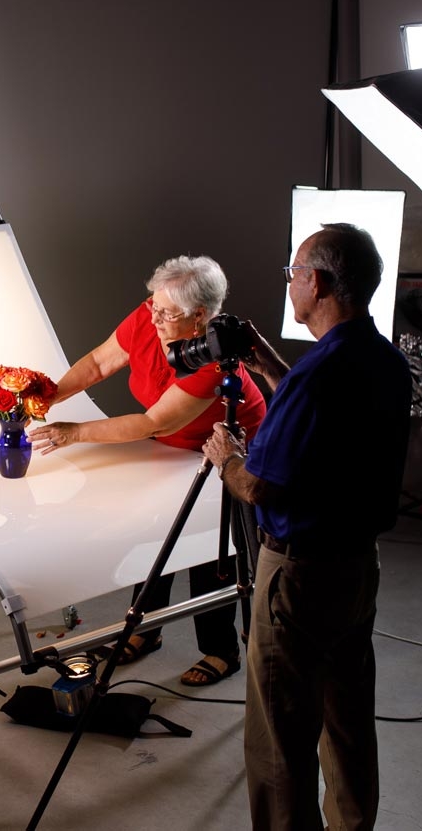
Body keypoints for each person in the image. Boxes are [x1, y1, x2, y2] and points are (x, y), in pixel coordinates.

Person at [202, 223, 411, 831]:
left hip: (297, 575)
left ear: (315, 282)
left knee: (279, 742)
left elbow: (261, 486)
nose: (290, 281)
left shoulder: (318, 378)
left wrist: (226, 461)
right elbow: (314, 406)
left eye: (293, 272)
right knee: (346, 721)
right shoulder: (382, 362)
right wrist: (264, 357)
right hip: (355, 569)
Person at [27, 255, 266, 685]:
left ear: (199, 317)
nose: (153, 316)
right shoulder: (151, 313)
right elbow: (99, 363)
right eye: (152, 305)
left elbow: (154, 421)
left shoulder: (212, 361)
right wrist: (45, 398)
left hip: (227, 451)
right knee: (156, 537)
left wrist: (74, 431)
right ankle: (144, 631)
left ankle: (220, 651)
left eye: (165, 312)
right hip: (172, 449)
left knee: (209, 553)